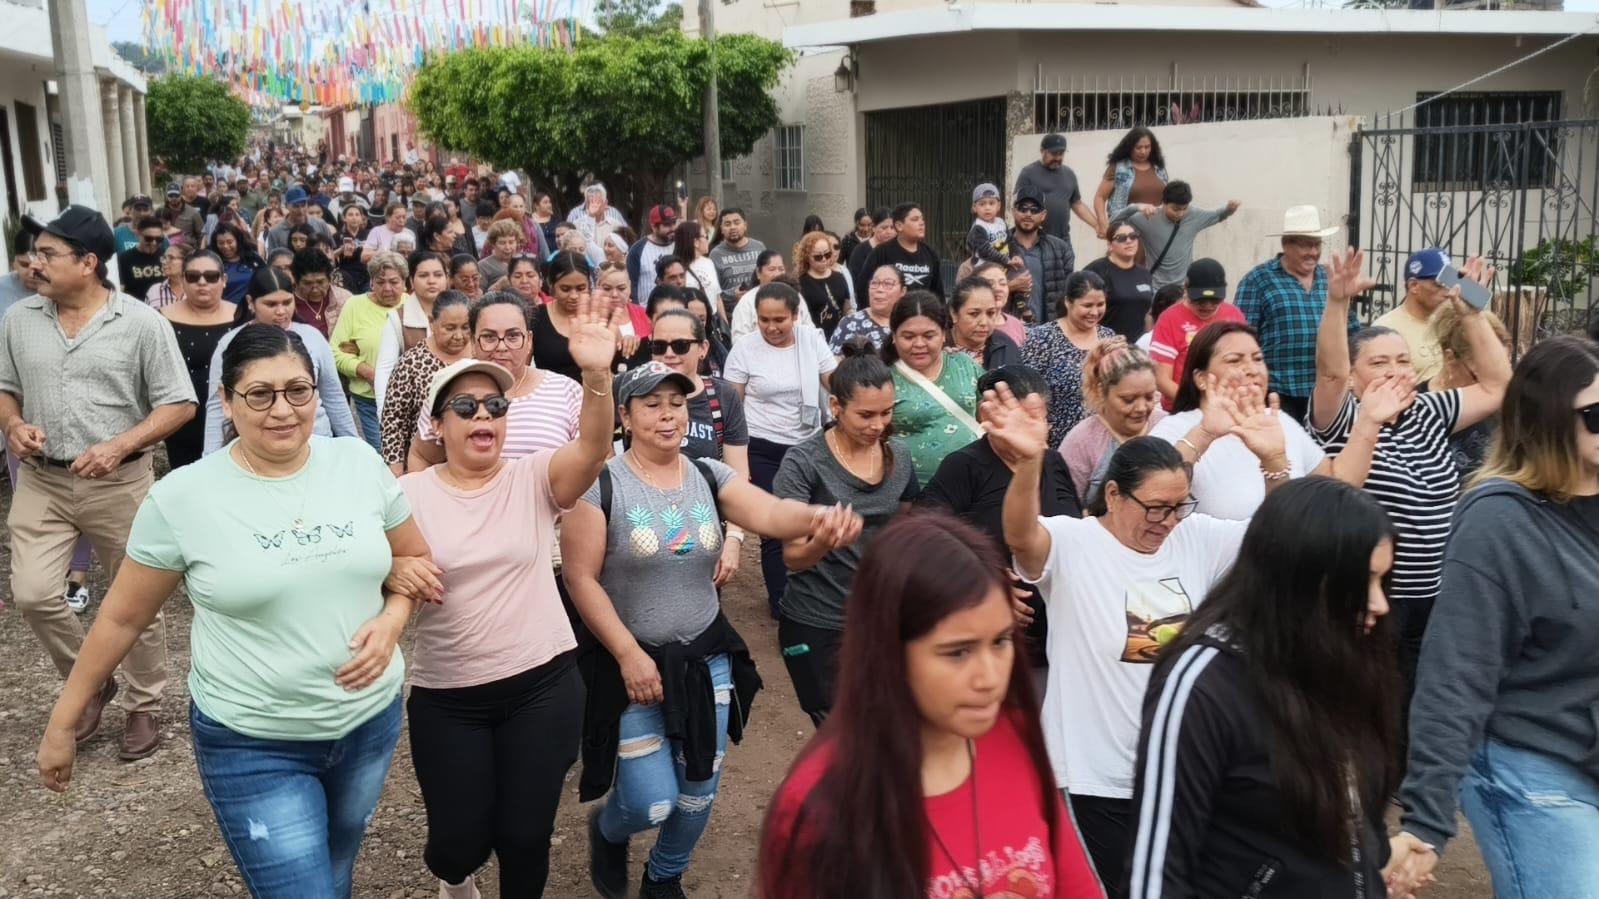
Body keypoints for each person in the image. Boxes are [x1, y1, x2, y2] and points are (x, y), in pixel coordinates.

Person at [38, 322, 433, 897]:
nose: (283, 410)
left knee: (338, 863)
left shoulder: (357, 463)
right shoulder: (184, 497)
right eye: (260, 394)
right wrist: (62, 721)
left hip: (368, 721)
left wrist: (392, 620)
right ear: (226, 400)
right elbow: (122, 617)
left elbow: (414, 560)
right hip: (253, 737)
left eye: (298, 390)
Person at [564, 363, 858, 899]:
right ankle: (608, 831)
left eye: (676, 403)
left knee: (699, 789)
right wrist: (629, 655)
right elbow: (581, 580)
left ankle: (664, 877)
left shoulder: (708, 475)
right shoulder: (600, 487)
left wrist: (819, 518)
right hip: (631, 664)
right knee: (651, 799)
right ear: (625, 417)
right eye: (651, 404)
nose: (667, 414)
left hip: (705, 656)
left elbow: (770, 512)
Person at [998, 379, 1282, 895]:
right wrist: (1027, 467)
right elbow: (1020, 535)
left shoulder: (1194, 538)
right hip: (1089, 778)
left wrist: (1275, 462)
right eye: (1155, 508)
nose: (1167, 522)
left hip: (1177, 775)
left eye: (1179, 507)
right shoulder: (1074, 544)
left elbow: (1277, 540)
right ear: (1112, 493)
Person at [759, 511, 1104, 899]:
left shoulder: (1017, 738)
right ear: (888, 651)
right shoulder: (820, 808)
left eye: (1001, 641)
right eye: (957, 652)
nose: (989, 677)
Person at [399, 299, 617, 899]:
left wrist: (597, 376)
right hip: (448, 697)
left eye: (495, 404)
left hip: (543, 685)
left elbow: (594, 450)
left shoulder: (534, 478)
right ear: (438, 425)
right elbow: (373, 570)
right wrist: (396, 570)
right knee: (455, 846)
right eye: (464, 407)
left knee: (525, 837)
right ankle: (455, 880)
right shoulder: (405, 494)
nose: (483, 415)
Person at [1392, 337, 1599, 899]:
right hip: (1531, 765)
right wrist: (1428, 818)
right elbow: (1456, 672)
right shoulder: (1499, 521)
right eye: (1597, 416)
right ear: (1549, 420)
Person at [1128, 478, 1401, 899]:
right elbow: (1157, 874)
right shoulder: (1200, 685)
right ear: (1302, 578)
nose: (1379, 604)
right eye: (1362, 582)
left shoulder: (1345, 662)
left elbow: (1352, 818)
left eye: (1383, 583)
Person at [3, 206, 196, 760]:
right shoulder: (19, 320)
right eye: (35, 254)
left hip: (119, 483)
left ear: (88, 263)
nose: (35, 264)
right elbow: (4, 387)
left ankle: (143, 704)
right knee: (34, 594)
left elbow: (179, 404)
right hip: (42, 480)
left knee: (137, 599)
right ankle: (89, 681)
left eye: (48, 255)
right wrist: (13, 423)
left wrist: (119, 445)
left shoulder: (140, 323)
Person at [1309, 248, 1510, 718]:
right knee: (1371, 704)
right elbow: (1330, 371)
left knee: (1422, 703)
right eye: (1378, 363)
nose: (1395, 370)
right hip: (1378, 597)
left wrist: (1472, 313)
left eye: (1402, 360)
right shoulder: (1344, 419)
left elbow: (1500, 385)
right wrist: (1337, 304)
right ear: (1356, 378)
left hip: (1438, 594)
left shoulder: (1429, 410)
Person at [773, 343, 914, 725]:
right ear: (835, 407)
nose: (878, 425)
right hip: (819, 622)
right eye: (865, 415)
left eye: (886, 413)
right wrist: (824, 540)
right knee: (843, 738)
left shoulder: (898, 455)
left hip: (880, 621)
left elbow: (907, 530)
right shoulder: (804, 462)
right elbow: (792, 557)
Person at [1149, 321, 1380, 520]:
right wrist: (1205, 434)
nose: (1251, 369)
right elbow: (1149, 493)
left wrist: (1370, 418)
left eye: (1258, 359)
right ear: (1201, 379)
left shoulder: (1278, 422)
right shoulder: (1176, 428)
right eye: (1234, 360)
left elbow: (1335, 483)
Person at [724, 283, 838, 619]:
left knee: (816, 521)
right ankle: (783, 602)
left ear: (796, 315)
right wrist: (736, 458)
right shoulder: (744, 350)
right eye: (764, 320)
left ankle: (817, 593)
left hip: (809, 446)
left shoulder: (811, 341)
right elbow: (734, 406)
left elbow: (835, 381)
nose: (772, 328)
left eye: (780, 320)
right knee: (776, 527)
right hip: (763, 446)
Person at [409, 291, 584, 472]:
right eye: (489, 337)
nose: (501, 347)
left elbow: (589, 461)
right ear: (473, 341)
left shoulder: (565, 390)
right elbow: (421, 456)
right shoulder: (448, 389)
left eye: (513, 336)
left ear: (529, 340)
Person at [204, 267, 361, 456]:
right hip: (256, 448)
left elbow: (333, 396)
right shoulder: (230, 343)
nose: (281, 311)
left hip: (316, 444)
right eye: (271, 304)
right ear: (251, 302)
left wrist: (354, 447)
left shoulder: (312, 337)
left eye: (287, 302)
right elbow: (216, 406)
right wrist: (210, 457)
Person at [648, 309, 752, 581]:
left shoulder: (722, 396)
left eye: (681, 345)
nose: (668, 354)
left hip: (703, 533)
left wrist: (734, 538)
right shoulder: (632, 393)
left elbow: (738, 476)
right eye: (659, 346)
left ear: (703, 348)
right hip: (644, 532)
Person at [1235, 205, 1359, 423]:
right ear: (1286, 245)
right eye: (1305, 245)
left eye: (1317, 245)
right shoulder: (1258, 280)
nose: (1313, 252)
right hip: (1278, 393)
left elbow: (1350, 330)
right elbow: (1241, 338)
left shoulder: (1330, 278)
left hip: (1327, 391)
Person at [1060, 339, 1166, 505]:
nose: (1141, 408)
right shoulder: (1081, 441)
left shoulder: (1166, 426)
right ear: (1102, 392)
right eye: (1128, 400)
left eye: (1149, 397)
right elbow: (1065, 509)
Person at [379, 291, 472, 473]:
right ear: (432, 323)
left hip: (473, 464)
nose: (459, 336)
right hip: (423, 467)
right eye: (450, 328)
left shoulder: (481, 354)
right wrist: (396, 470)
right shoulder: (412, 362)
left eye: (466, 327)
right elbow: (393, 420)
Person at [160, 251, 238, 469]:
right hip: (181, 418)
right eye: (193, 276)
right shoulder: (161, 319)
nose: (202, 282)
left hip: (231, 416)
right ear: (183, 280)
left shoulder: (242, 316)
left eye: (211, 276)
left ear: (223, 280)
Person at [1022, 271, 1117, 448]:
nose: (1094, 312)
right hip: (1055, 443)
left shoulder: (1108, 336)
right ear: (1068, 302)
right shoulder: (1043, 338)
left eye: (1100, 305)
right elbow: (1026, 391)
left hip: (1101, 442)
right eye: (1087, 305)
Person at [332, 251, 410, 450]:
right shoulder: (355, 305)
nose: (387, 288)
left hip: (408, 400)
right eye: (380, 282)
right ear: (371, 282)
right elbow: (336, 351)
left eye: (394, 282)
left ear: (404, 282)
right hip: (368, 400)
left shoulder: (411, 305)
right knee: (381, 454)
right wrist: (364, 369)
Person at [1149, 258, 1247, 410]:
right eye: (1200, 301)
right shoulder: (1169, 319)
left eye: (1215, 300)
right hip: (1183, 409)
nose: (1208, 306)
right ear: (1186, 289)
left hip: (1229, 407)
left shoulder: (1234, 315)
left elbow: (1245, 364)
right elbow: (1161, 379)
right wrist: (1198, 406)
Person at [1428, 301, 1511, 478]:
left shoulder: (1512, 406)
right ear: (1450, 358)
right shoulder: (1422, 407)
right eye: (1479, 375)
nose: (1496, 386)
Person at [1108, 182, 1239, 291]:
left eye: (1184, 208)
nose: (1181, 213)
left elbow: (1217, 215)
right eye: (1175, 209)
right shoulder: (1148, 217)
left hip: (1184, 289)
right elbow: (1113, 223)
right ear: (1164, 203)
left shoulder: (1193, 215)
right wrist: (1135, 207)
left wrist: (1229, 209)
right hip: (1155, 288)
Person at [375, 251, 449, 407]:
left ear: (447, 278)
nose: (431, 281)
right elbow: (385, 370)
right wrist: (385, 413)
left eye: (438, 275)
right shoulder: (397, 319)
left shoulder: (463, 313)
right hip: (412, 408)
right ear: (411, 281)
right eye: (423, 276)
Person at [1013, 132, 1100, 262]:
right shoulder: (1028, 173)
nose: (1058, 157)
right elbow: (1017, 204)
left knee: (1066, 278)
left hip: (1063, 240)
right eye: (1054, 154)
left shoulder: (1069, 174)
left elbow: (1076, 203)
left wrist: (1097, 225)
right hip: (1036, 240)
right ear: (1042, 151)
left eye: (1061, 153)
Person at [1372, 247, 1453, 383]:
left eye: (1449, 284)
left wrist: (1475, 297)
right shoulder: (1386, 329)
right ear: (1414, 286)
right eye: (1439, 285)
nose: (1447, 292)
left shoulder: (1449, 322)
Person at [1008, 187, 1076, 324]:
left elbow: (1070, 293)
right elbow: (982, 290)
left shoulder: (1060, 249)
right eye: (1023, 208)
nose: (1028, 214)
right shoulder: (998, 248)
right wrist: (1010, 287)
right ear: (1013, 211)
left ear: (1043, 215)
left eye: (1034, 210)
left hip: (1049, 330)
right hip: (1009, 331)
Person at [1084, 219, 1155, 342]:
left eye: (1133, 236)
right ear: (1110, 245)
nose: (1129, 241)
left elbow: (1147, 313)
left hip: (1134, 348)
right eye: (1121, 238)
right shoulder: (1097, 270)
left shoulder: (1144, 274)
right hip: (1103, 344)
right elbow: (1080, 308)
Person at [1093, 126, 1169, 235]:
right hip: (1126, 232)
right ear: (1129, 147)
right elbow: (1100, 197)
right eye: (1138, 147)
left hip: (1156, 230)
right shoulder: (1118, 168)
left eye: (1147, 147)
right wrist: (1102, 221)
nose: (1143, 151)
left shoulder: (1159, 169)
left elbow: (1167, 199)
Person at [728, 250, 814, 341]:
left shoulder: (794, 295)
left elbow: (810, 329)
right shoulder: (747, 302)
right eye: (772, 269)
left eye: (781, 269)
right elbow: (739, 339)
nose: (777, 274)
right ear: (758, 272)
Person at [861, 203, 944, 297]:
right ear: (899, 226)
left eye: (922, 219)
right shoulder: (881, 252)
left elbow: (938, 295)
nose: (922, 223)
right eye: (915, 219)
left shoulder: (930, 254)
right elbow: (864, 288)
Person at [948, 276, 1023, 370]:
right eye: (974, 314)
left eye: (990, 313)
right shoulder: (938, 346)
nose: (984, 322)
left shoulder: (1006, 346)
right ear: (954, 314)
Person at [829, 265, 902, 355]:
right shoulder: (851, 323)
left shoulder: (910, 322)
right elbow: (833, 365)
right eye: (874, 283)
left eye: (888, 284)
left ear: (903, 291)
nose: (879, 289)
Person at [794, 231, 851, 339]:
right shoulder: (800, 283)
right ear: (807, 257)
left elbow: (847, 306)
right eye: (818, 257)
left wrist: (851, 315)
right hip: (815, 339)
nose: (824, 259)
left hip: (841, 338)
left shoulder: (839, 276)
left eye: (827, 254)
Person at [708, 208, 766, 302]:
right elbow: (712, 291)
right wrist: (733, 295)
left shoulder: (759, 247)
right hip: (730, 312)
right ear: (721, 229)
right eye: (727, 224)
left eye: (737, 223)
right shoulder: (715, 254)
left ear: (745, 225)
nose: (732, 227)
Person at [291, 248, 351, 338]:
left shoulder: (344, 299)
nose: (315, 289)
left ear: (329, 279)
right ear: (296, 281)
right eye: (308, 283)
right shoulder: (287, 305)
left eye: (320, 282)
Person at [628, 205, 679, 304]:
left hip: (674, 310)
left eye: (673, 223)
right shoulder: (637, 250)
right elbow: (631, 285)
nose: (672, 228)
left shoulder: (679, 245)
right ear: (654, 227)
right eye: (667, 225)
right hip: (645, 312)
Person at [972, 261, 1030, 345]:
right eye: (989, 284)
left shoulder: (1016, 325)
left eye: (1003, 283)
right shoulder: (967, 324)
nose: (998, 289)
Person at [965, 182, 1020, 270]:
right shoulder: (978, 227)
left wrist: (1016, 255)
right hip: (984, 270)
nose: (987, 208)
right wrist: (1006, 260)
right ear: (974, 207)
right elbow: (985, 251)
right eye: (982, 204)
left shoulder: (1001, 223)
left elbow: (1010, 241)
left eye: (991, 203)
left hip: (1004, 266)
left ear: (998, 206)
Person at [209, 223, 265, 306]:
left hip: (252, 310)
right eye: (221, 243)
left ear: (237, 240)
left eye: (230, 242)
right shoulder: (212, 262)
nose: (225, 246)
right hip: (224, 311)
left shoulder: (252, 258)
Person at [117, 216, 169, 299]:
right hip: (136, 308)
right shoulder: (124, 259)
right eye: (149, 238)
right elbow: (120, 289)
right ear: (138, 235)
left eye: (159, 239)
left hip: (164, 307)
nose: (154, 243)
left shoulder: (168, 256)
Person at [845, 207, 895, 291]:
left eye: (892, 227)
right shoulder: (860, 250)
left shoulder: (897, 249)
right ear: (874, 228)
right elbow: (855, 282)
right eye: (884, 228)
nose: (889, 232)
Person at [674, 221, 722, 303]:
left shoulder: (708, 262)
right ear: (696, 242)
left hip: (711, 314)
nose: (708, 240)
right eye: (705, 236)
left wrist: (723, 316)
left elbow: (717, 297)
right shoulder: (675, 267)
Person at [333, 204, 372, 294]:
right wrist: (341, 249)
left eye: (357, 215)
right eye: (350, 215)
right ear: (344, 218)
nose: (354, 218)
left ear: (362, 218)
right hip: (346, 274)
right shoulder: (338, 236)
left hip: (366, 274)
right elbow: (331, 255)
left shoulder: (369, 234)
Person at [144, 241, 191, 312]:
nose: (164, 262)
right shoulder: (154, 291)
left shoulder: (197, 289)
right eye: (164, 258)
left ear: (187, 261)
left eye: (171, 258)